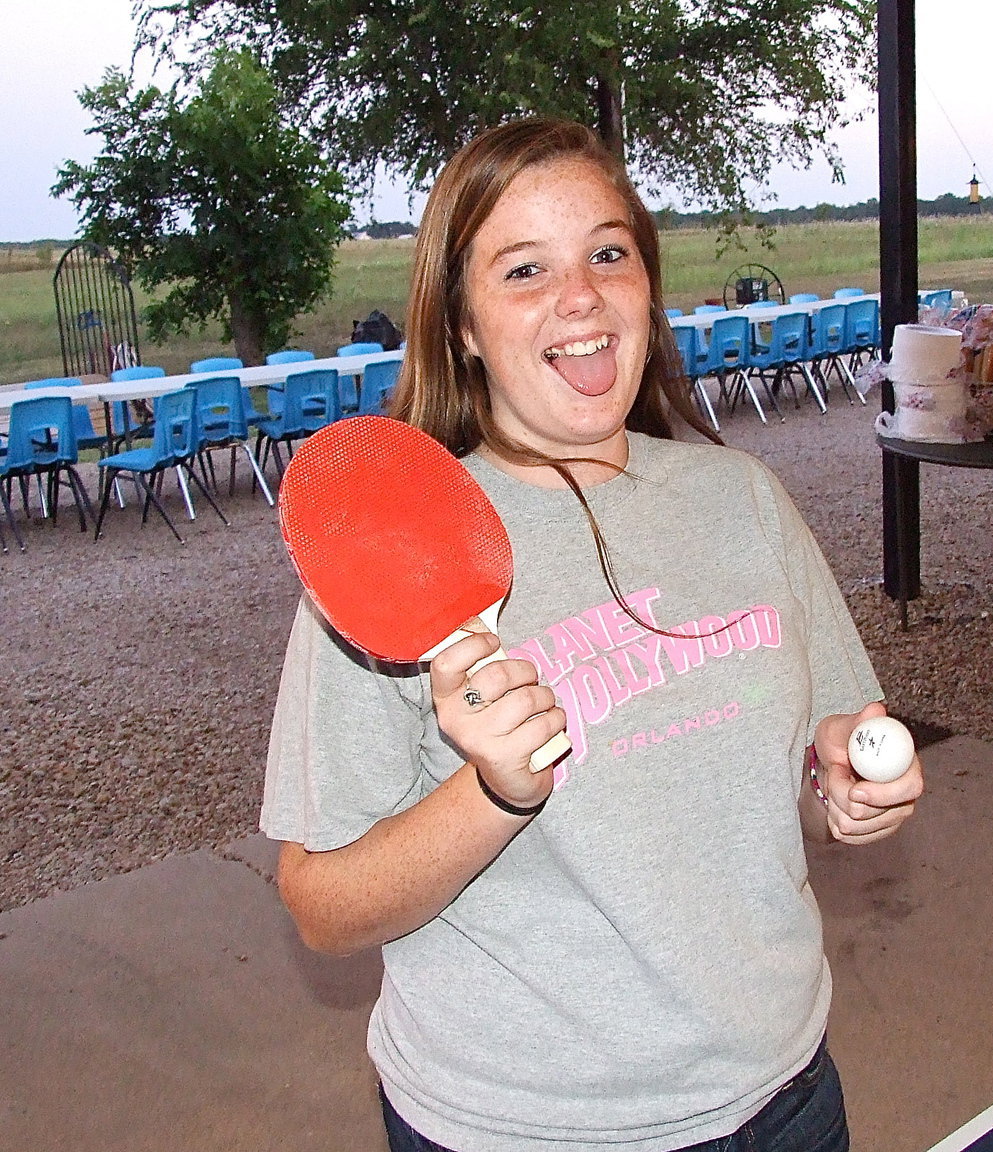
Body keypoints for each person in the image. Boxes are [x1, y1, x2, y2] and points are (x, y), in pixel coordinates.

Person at [262, 117, 924, 1152]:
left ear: (647, 286)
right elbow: (323, 909)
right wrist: (493, 792)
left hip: (782, 1094)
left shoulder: (743, 500)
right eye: (525, 269)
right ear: (466, 325)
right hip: (521, 1129)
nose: (580, 297)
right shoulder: (394, 548)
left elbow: (791, 781)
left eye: (608, 253)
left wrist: (838, 791)